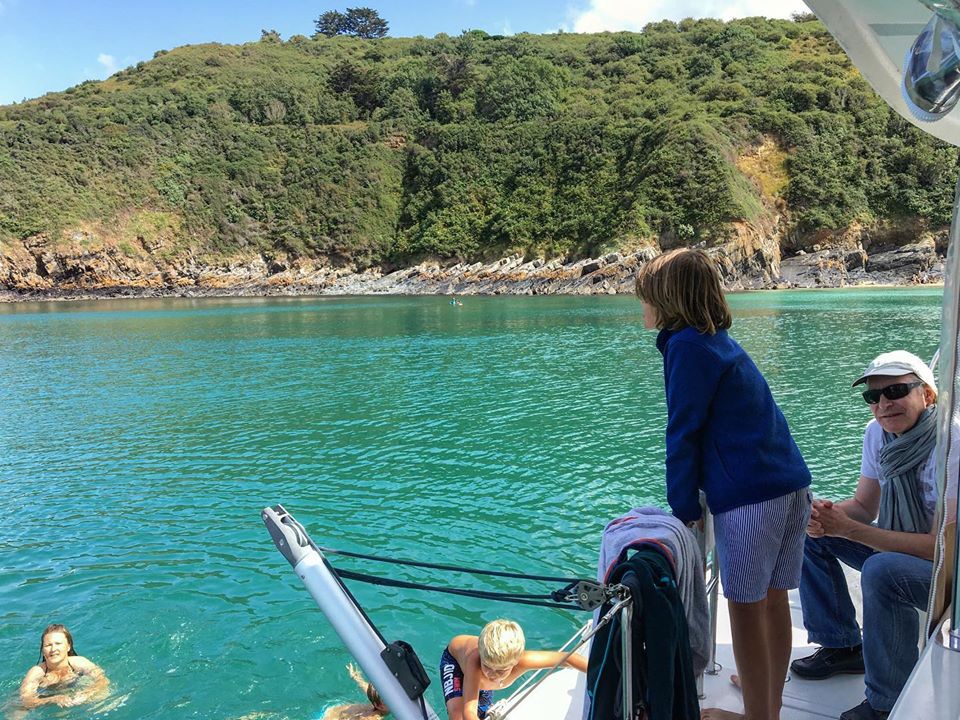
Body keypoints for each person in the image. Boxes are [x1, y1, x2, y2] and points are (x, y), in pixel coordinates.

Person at [635, 248, 812, 720]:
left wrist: (683, 508)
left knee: (745, 611)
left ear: (668, 299)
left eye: (646, 296)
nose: (641, 306)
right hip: (790, 486)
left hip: (751, 497)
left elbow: (683, 430)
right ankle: (767, 706)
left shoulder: (687, 347)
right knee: (773, 604)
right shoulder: (719, 342)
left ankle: (757, 717)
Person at [790, 350, 957, 720]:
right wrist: (823, 516)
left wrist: (849, 529)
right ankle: (842, 645)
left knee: (882, 571)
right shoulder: (877, 435)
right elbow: (866, 507)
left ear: (927, 395)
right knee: (811, 533)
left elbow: (942, 549)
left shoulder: (953, 443)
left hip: (952, 572)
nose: (884, 404)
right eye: (873, 397)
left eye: (896, 391)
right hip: (909, 548)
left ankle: (886, 703)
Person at [439, 618, 587, 720]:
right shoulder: (475, 662)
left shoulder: (523, 661)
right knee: (457, 715)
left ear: (515, 662)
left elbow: (568, 658)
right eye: (487, 666)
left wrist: (602, 672)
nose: (491, 674)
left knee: (481, 714)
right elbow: (468, 711)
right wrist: (488, 668)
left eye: (500, 670)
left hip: (487, 667)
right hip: (455, 663)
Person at [18, 624, 110, 709]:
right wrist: (53, 699)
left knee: (103, 695)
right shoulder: (37, 672)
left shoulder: (80, 662)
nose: (53, 649)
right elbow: (26, 701)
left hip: (74, 690)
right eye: (48, 645)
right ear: (43, 650)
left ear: (68, 646)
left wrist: (88, 692)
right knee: (18, 714)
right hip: (45, 696)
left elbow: (102, 680)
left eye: (58, 644)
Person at [321, 663, 390, 720]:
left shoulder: (375, 697)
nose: (393, 700)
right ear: (379, 706)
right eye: (388, 700)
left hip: (333, 710)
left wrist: (355, 676)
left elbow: (366, 688)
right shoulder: (374, 718)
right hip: (331, 717)